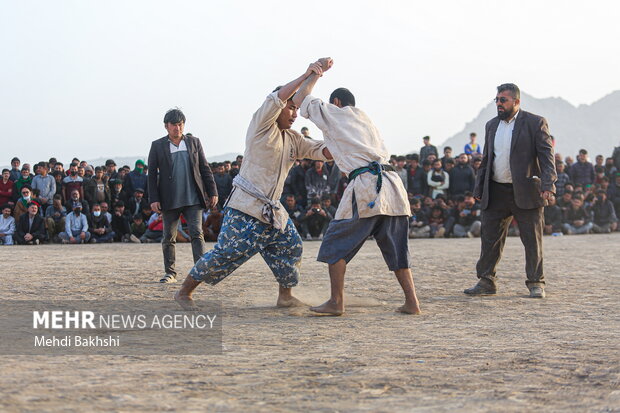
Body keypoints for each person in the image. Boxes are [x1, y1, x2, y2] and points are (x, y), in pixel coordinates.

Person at [174, 59, 331, 309]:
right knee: (226, 253)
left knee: (291, 246)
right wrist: (306, 74)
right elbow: (277, 98)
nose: (293, 113)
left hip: (272, 210)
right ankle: (184, 292)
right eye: (290, 108)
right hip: (245, 207)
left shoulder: (293, 139)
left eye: (295, 110)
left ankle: (285, 295)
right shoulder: (261, 125)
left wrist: (344, 135)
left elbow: (323, 151)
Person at [292, 57, 421, 315]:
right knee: (396, 249)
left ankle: (336, 302)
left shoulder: (335, 114)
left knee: (334, 243)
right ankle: (412, 303)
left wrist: (315, 73)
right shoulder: (366, 120)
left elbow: (299, 99)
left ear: (337, 103)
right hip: (393, 188)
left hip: (366, 186)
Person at [465, 83, 556, 299]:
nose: (498, 103)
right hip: (496, 190)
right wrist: (479, 187)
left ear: (516, 102)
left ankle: (536, 282)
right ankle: (486, 281)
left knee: (532, 240)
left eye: (503, 100)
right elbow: (487, 159)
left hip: (525, 191)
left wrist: (548, 185)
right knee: (489, 239)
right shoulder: (491, 125)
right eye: (496, 99)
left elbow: (546, 156)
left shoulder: (534, 123)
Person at [148, 108, 219, 283]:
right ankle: (170, 272)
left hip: (193, 197)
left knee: (197, 233)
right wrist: (154, 198)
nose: (177, 128)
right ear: (166, 126)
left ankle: (200, 271)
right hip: (169, 199)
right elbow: (151, 175)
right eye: (174, 125)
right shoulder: (157, 146)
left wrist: (213, 192)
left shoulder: (194, 142)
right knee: (168, 237)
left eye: (180, 124)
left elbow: (204, 168)